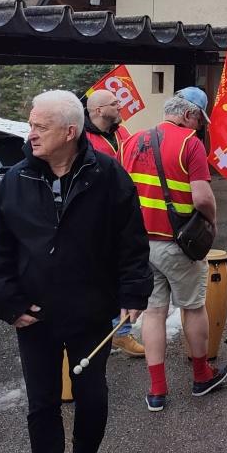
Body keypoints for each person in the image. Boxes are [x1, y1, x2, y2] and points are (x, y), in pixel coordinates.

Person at [0, 90, 151, 453]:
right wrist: (10, 303)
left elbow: (131, 241)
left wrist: (134, 291)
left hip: (90, 310)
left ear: (70, 132)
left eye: (41, 127)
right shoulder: (16, 180)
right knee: (42, 403)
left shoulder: (108, 175)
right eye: (31, 124)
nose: (31, 133)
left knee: (91, 397)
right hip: (34, 314)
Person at [121, 88, 227, 412]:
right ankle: (201, 376)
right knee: (193, 308)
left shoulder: (132, 141)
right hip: (178, 244)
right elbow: (202, 198)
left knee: (154, 313)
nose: (200, 126)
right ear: (187, 115)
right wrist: (212, 222)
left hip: (142, 244)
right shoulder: (190, 143)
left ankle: (157, 391)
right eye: (199, 120)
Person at [83, 90, 144, 358]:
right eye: (114, 103)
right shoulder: (83, 139)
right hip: (96, 217)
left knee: (122, 271)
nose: (120, 106)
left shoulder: (122, 133)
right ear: (98, 110)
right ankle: (99, 331)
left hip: (123, 211)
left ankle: (121, 332)